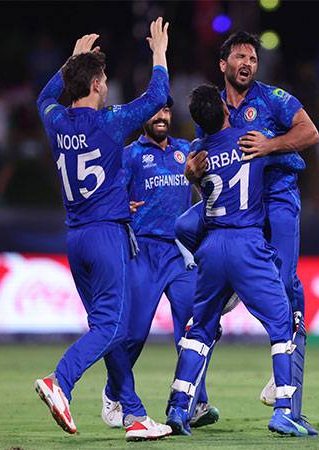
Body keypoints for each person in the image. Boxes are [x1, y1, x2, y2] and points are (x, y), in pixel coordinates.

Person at [34, 19, 173, 441]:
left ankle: (133, 414)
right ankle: (61, 381)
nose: (107, 85)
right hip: (107, 236)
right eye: (104, 79)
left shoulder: (55, 120)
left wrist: (71, 62)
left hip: (75, 238)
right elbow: (157, 97)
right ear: (95, 84)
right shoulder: (110, 123)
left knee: (104, 327)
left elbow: (44, 95)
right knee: (113, 328)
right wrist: (160, 53)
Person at [177, 31, 319, 434]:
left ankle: (289, 400)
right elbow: (197, 168)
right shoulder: (213, 109)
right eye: (240, 57)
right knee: (203, 308)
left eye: (253, 59)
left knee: (289, 291)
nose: (247, 64)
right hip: (233, 220)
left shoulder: (273, 99)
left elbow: (311, 133)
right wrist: (191, 173)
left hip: (277, 203)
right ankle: (194, 399)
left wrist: (271, 145)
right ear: (223, 65)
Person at [100, 100, 219, 429]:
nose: (161, 117)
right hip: (144, 252)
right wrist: (123, 206)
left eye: (166, 111)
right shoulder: (130, 155)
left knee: (195, 330)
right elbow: (107, 195)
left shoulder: (185, 150)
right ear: (143, 119)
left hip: (181, 254)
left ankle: (195, 401)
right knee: (135, 334)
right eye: (155, 113)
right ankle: (114, 393)